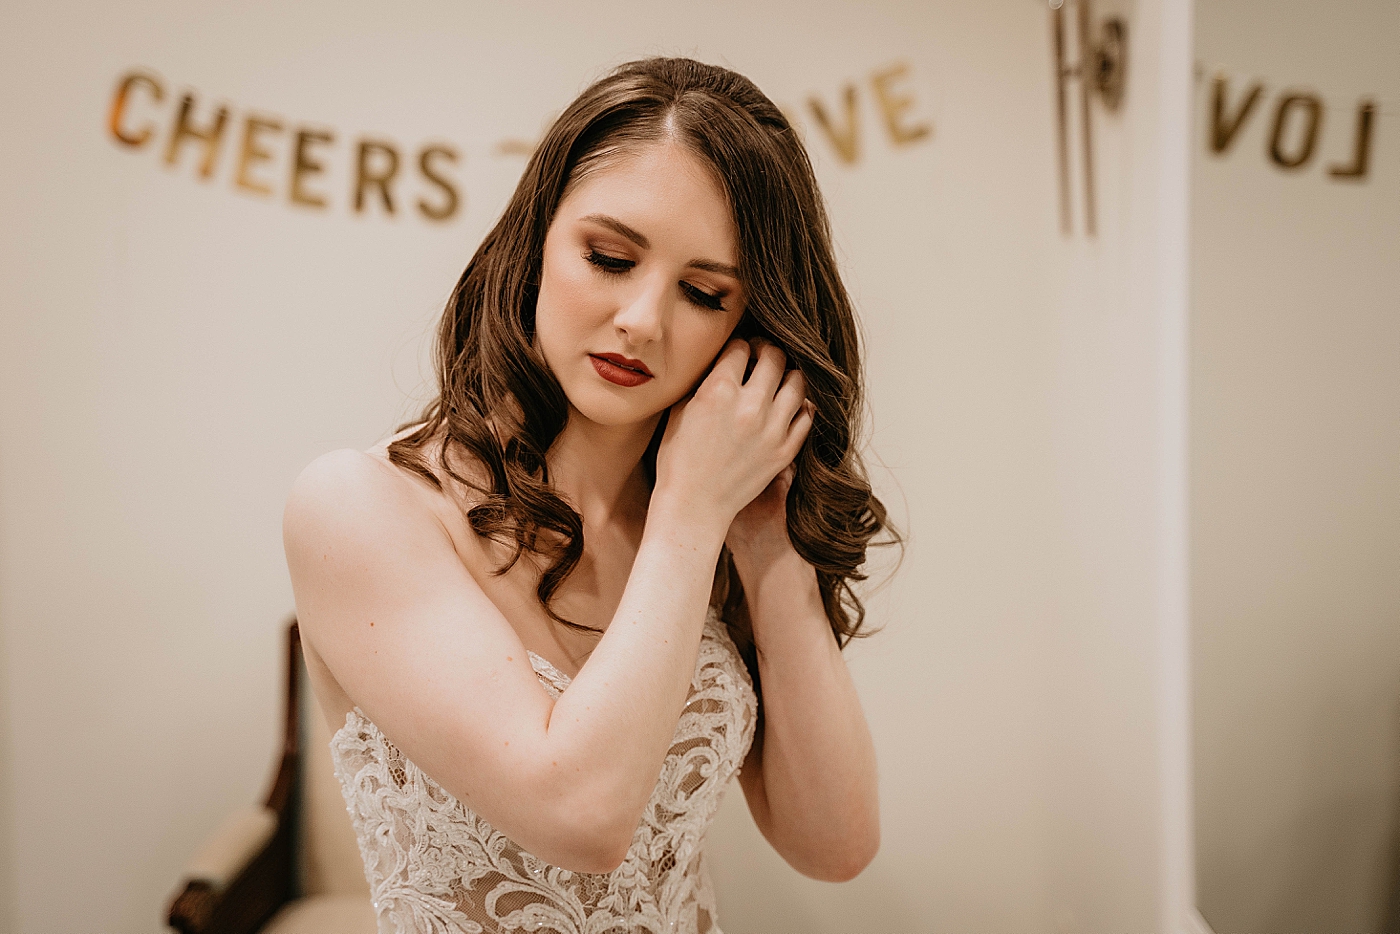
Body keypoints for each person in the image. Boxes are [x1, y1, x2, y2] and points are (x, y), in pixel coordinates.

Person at [283, 56, 895, 934]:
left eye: (701, 292)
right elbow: (581, 816)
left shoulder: (716, 519)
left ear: (746, 326)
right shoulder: (358, 507)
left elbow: (834, 846)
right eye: (609, 258)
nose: (644, 319)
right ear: (535, 241)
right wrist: (690, 516)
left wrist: (767, 548)